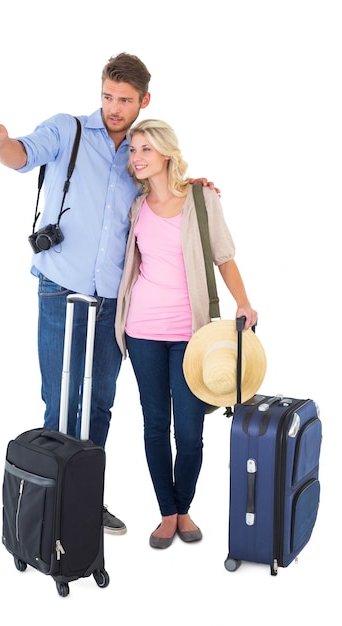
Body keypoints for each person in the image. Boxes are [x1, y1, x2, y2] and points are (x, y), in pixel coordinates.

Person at [0, 53, 216, 536]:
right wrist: (1, 143)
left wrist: (196, 188)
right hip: (59, 287)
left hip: (113, 304)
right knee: (60, 399)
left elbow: (168, 193)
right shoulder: (68, 130)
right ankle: (51, 497)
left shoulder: (142, 151)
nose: (113, 108)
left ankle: (85, 497)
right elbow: (23, 153)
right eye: (107, 96)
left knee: (100, 401)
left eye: (124, 100)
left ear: (144, 100)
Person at [115, 119, 258, 548]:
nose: (137, 157)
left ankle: (186, 505)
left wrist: (244, 303)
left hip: (192, 335)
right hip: (141, 330)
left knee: (191, 432)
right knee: (155, 425)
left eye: (145, 149)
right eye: (133, 149)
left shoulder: (201, 197)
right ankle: (167, 512)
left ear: (166, 153)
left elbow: (224, 257)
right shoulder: (136, 205)